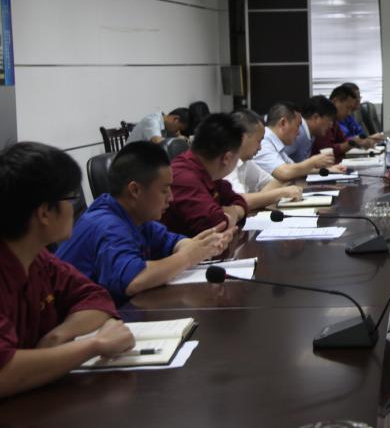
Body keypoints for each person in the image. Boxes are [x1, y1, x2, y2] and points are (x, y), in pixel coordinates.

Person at [0, 142, 135, 397]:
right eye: (71, 198)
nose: (75, 208)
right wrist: (94, 345)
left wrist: (58, 336)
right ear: (44, 213)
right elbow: (4, 374)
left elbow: (96, 298)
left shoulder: (38, 258)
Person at [56, 142, 235, 304]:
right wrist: (188, 257)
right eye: (164, 190)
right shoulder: (107, 225)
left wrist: (202, 246)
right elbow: (134, 280)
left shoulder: (134, 215)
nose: (171, 198)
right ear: (135, 190)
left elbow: (171, 241)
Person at [161, 113, 248, 236]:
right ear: (227, 158)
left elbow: (238, 200)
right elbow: (215, 224)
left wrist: (235, 211)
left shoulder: (207, 171)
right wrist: (231, 216)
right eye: (237, 157)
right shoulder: (183, 177)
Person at [225, 109, 304, 210]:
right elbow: (239, 201)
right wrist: (282, 193)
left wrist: (256, 200)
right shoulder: (225, 162)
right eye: (258, 141)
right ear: (242, 138)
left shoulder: (245, 161)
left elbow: (274, 183)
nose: (260, 148)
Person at [253, 100, 341, 182]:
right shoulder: (264, 142)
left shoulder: (275, 143)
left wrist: (327, 170)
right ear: (283, 123)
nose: (299, 133)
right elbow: (284, 173)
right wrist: (313, 162)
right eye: (298, 126)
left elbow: (294, 169)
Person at [311, 85, 369, 162]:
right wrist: (352, 142)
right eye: (347, 107)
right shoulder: (322, 120)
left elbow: (342, 141)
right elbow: (327, 150)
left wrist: (356, 141)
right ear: (335, 101)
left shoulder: (335, 121)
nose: (349, 113)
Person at [338, 82, 383, 147]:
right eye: (356, 98)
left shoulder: (350, 116)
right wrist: (363, 140)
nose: (359, 100)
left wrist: (370, 139)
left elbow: (361, 135)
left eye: (359, 97)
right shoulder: (337, 118)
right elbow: (344, 140)